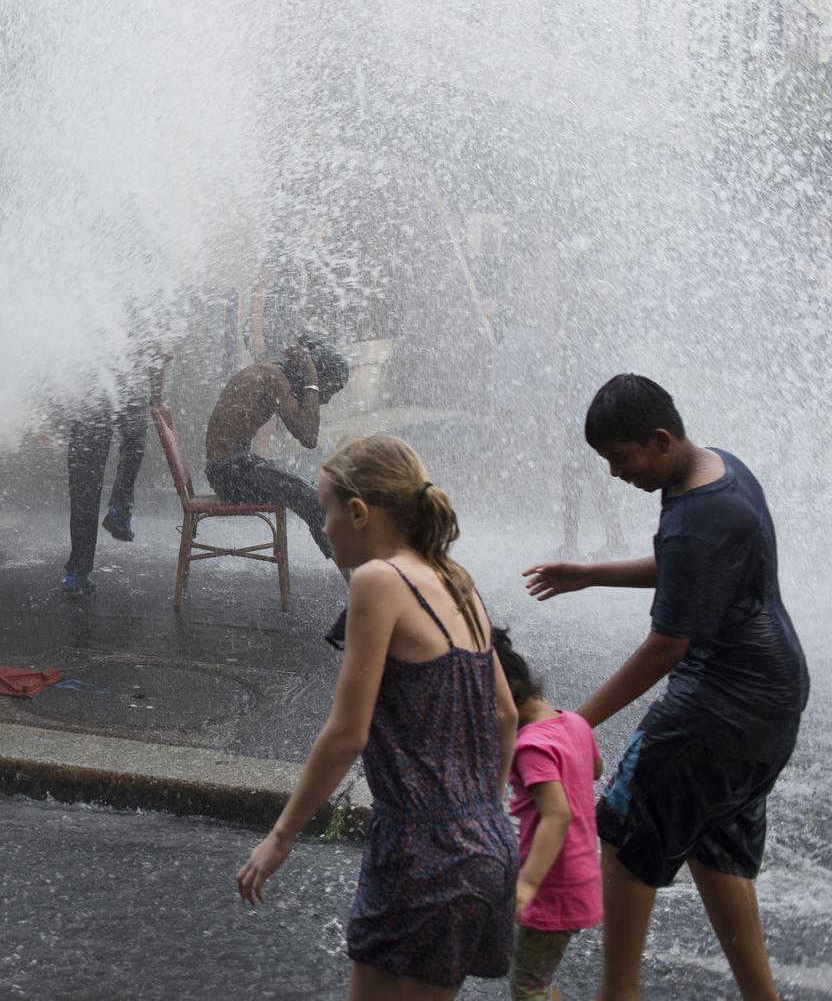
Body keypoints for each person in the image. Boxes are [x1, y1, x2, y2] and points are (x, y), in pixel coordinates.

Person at [523, 374, 806, 1001]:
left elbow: (666, 647)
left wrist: (576, 722)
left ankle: (616, 995)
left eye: (621, 458)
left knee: (625, 833)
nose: (616, 474)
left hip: (717, 706)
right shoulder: (718, 470)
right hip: (772, 702)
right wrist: (591, 574)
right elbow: (690, 566)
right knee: (714, 845)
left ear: (658, 439)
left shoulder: (694, 514)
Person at [236, 435, 517, 997]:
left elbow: (346, 734)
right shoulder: (458, 583)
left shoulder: (378, 581)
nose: (326, 525)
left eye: (327, 510)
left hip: (422, 852)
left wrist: (282, 835)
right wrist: (478, 817)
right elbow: (507, 716)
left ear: (359, 512)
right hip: (486, 841)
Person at [490, 626, 602, 1001]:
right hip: (581, 875)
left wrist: (528, 885)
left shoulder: (531, 747)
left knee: (526, 986)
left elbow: (558, 816)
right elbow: (596, 769)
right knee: (539, 974)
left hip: (554, 884)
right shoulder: (573, 722)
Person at [203, 336, 349, 561]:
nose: (326, 399)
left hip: (232, 470)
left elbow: (307, 433)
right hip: (229, 475)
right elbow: (308, 437)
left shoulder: (275, 374)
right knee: (311, 498)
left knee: (310, 493)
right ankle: (354, 576)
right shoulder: (275, 378)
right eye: (326, 390)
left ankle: (350, 563)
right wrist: (311, 375)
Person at [62, 347, 168, 595]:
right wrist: (156, 399)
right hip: (116, 387)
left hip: (89, 392)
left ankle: (76, 572)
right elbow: (160, 353)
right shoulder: (146, 314)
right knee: (134, 439)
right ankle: (120, 507)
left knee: (85, 487)